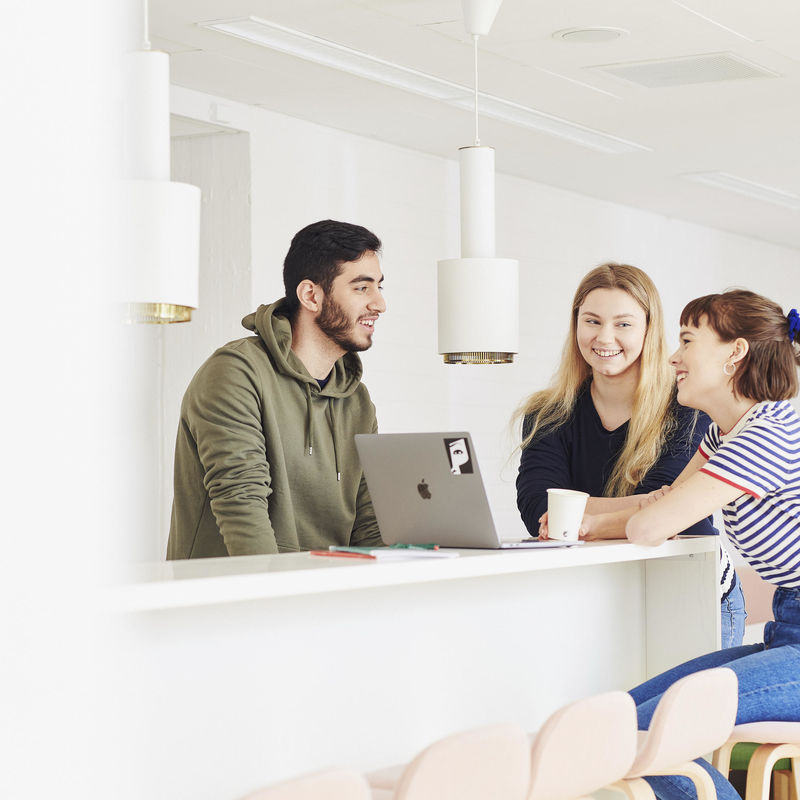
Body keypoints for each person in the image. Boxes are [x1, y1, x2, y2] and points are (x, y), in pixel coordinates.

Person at [616, 289, 800, 800]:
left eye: (687, 341)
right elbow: (666, 503)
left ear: (735, 353)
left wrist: (611, 517)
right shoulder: (728, 433)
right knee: (621, 719)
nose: (673, 357)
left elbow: (651, 525)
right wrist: (582, 523)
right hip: (788, 629)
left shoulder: (770, 432)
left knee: (645, 730)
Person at [515, 264, 745, 647]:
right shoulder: (547, 413)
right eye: (592, 321)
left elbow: (667, 509)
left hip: (687, 587)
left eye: (623, 324)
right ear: (575, 325)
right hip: (594, 594)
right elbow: (537, 508)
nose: (605, 337)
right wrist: (647, 504)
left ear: (648, 330)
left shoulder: (689, 405)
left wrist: (575, 516)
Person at [167, 219, 387, 558]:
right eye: (362, 288)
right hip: (233, 588)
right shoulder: (235, 373)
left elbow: (369, 525)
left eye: (379, 287)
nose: (379, 304)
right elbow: (241, 504)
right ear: (311, 295)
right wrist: (279, 592)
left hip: (322, 588)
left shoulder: (357, 401)